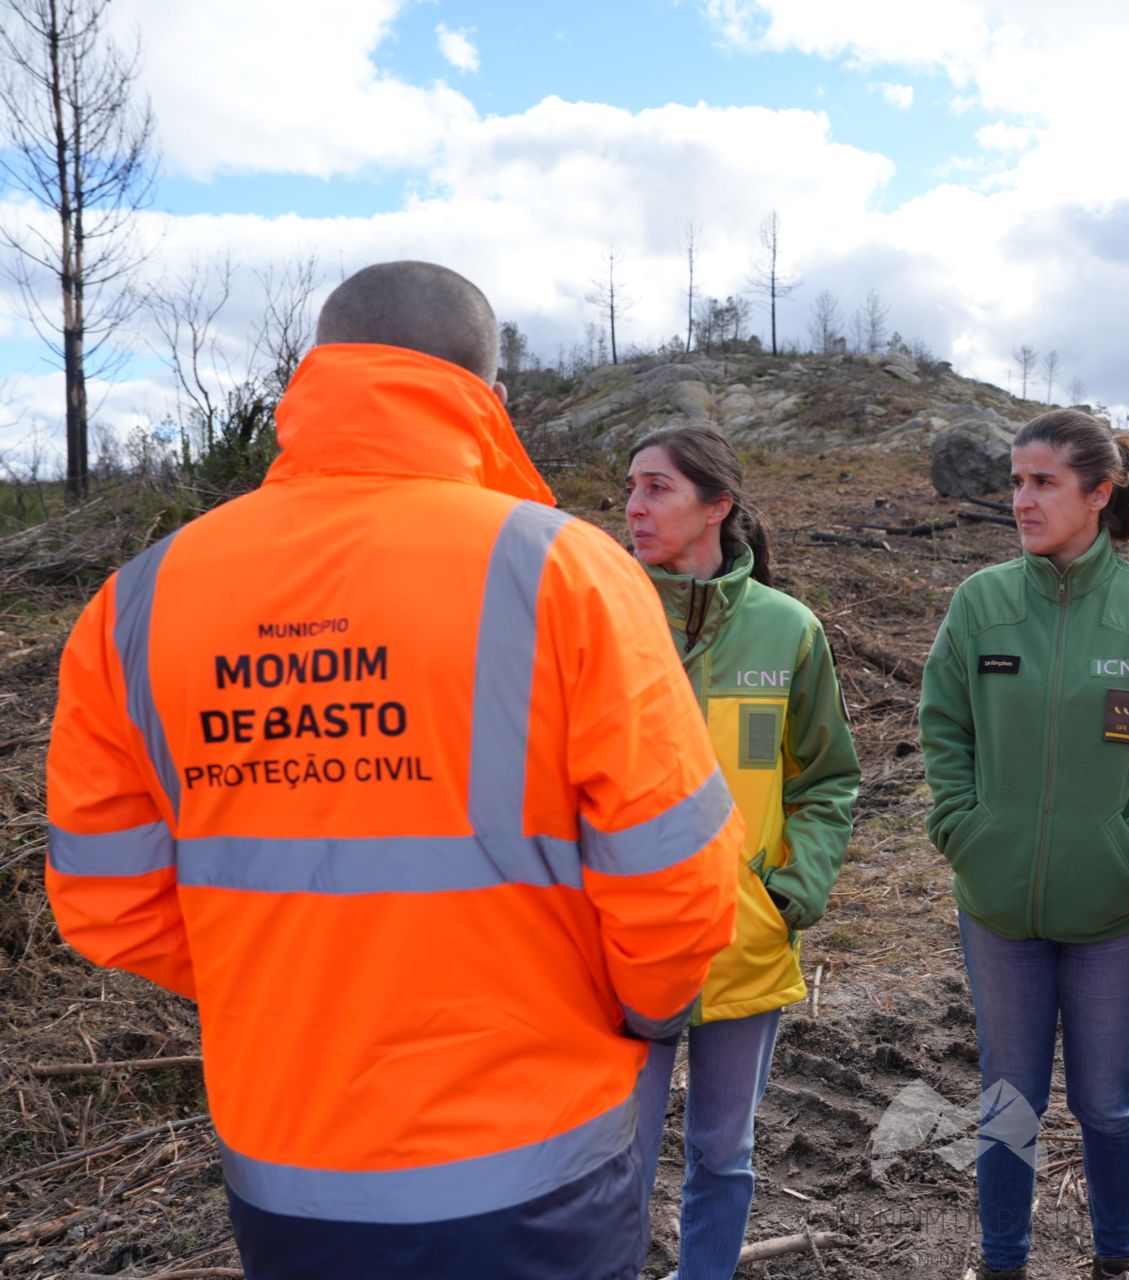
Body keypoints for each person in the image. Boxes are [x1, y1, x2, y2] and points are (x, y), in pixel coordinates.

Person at [43, 261, 741, 1280]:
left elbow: (108, 901)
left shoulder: (138, 601)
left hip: (287, 1172)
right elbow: (676, 881)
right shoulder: (568, 572)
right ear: (488, 401)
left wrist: (287, 983)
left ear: (311, 376)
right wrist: (636, 1010)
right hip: (534, 1166)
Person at [918, 408, 1129, 1280]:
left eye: (1044, 482)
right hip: (998, 905)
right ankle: (1003, 1262)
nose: (1022, 498)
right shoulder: (982, 603)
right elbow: (943, 726)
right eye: (1017, 480)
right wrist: (964, 827)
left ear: (1099, 493)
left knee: (1105, 1103)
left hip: (1115, 912)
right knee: (1009, 1097)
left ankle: (1116, 1261)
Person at [623, 423, 860, 1280]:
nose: (633, 507)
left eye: (657, 488)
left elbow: (828, 778)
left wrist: (793, 889)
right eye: (631, 486)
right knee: (618, 1165)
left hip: (744, 935)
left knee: (723, 1154)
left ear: (717, 505)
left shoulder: (788, 630)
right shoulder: (601, 616)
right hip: (618, 946)